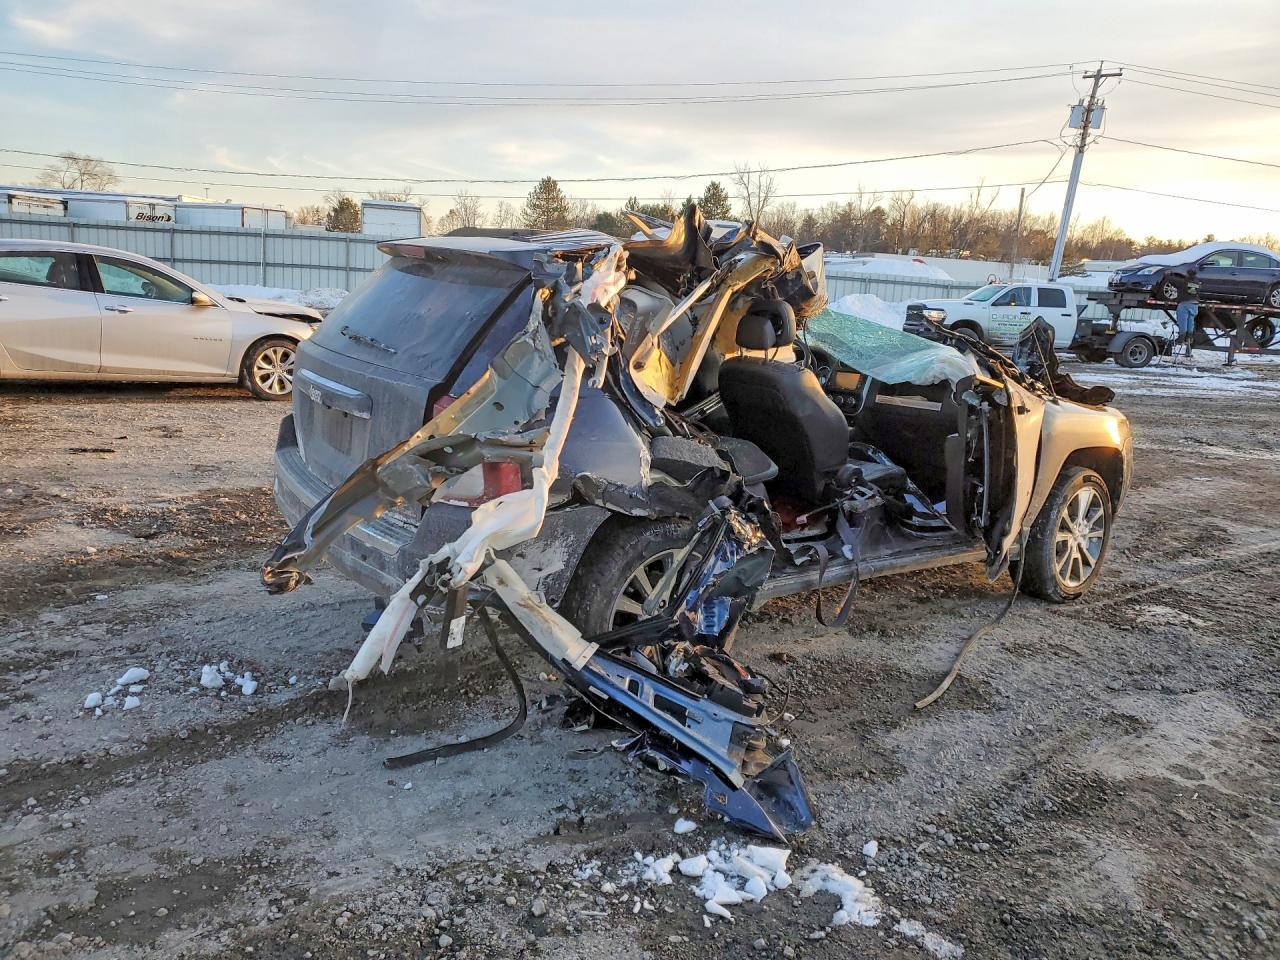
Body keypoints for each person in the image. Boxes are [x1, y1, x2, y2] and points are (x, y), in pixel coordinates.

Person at [1175, 268, 1200, 352]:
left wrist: (1167, 275)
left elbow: (1173, 281)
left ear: (1188, 274)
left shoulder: (1184, 281)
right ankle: (1189, 337)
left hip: (1185, 303)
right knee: (1191, 321)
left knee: (1183, 320)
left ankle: (1181, 337)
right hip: (1194, 304)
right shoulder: (1197, 283)